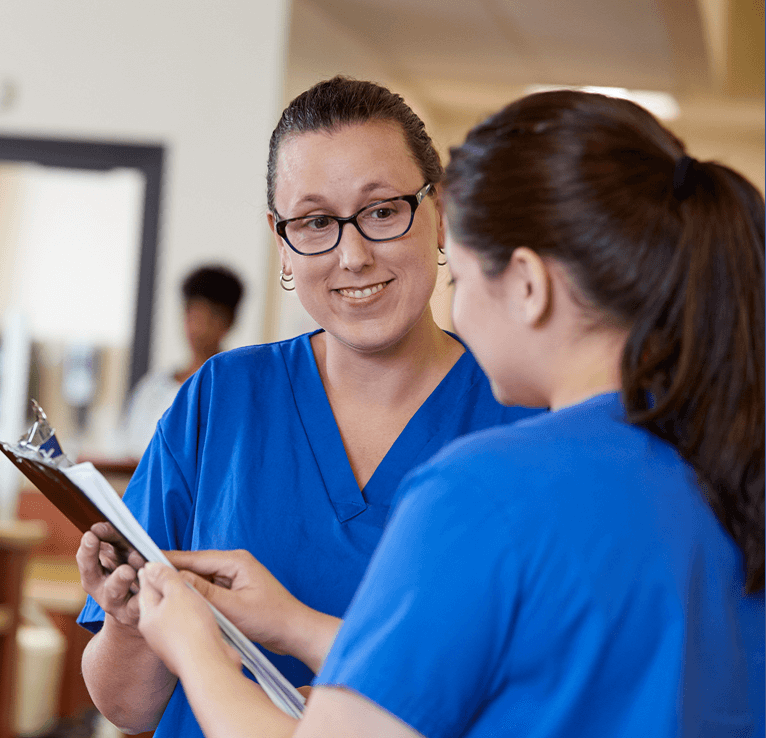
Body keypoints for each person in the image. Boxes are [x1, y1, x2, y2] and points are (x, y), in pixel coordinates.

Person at [133, 88, 766, 737]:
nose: (456, 310)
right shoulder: (726, 460)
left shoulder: (487, 487)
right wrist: (293, 624)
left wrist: (195, 649)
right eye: (317, 223)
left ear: (526, 285)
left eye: (459, 279)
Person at [75, 76, 540, 737]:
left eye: (382, 211)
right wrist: (128, 621)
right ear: (282, 239)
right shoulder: (219, 398)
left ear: (438, 214)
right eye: (316, 222)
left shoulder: (519, 416)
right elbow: (127, 708)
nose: (352, 255)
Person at [117, 264, 245, 459]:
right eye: (192, 315)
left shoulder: (236, 391)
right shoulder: (153, 388)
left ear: (228, 323)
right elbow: (129, 452)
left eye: (209, 317)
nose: (197, 329)